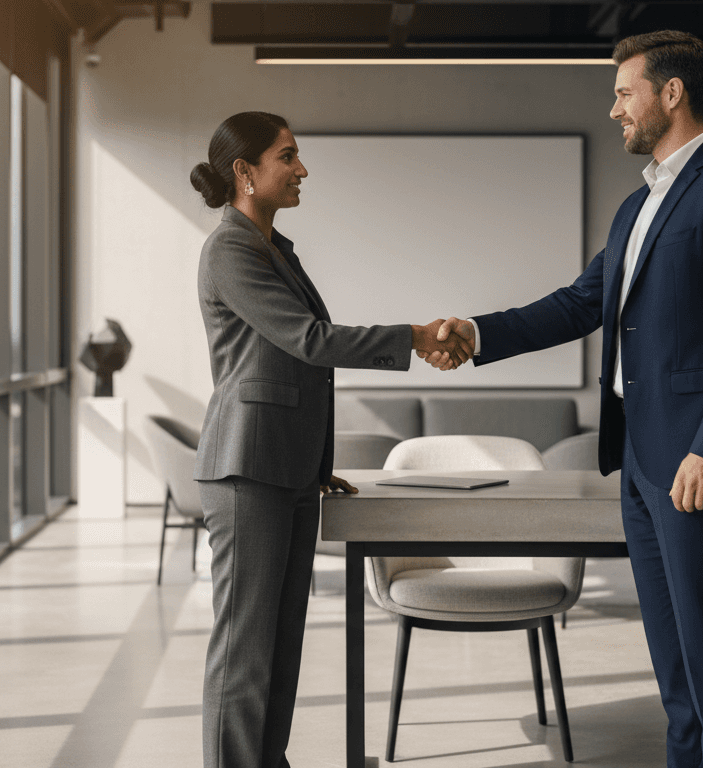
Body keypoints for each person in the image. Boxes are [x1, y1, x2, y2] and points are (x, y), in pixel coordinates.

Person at [425, 31, 703, 768]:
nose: (614, 107)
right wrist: (475, 333)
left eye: (625, 92)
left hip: (694, 458)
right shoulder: (636, 206)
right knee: (673, 661)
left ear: (671, 93)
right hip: (642, 462)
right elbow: (578, 304)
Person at [189, 111, 472, 768]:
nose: (301, 169)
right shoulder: (230, 248)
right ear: (245, 171)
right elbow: (309, 343)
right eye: (287, 156)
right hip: (247, 469)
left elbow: (291, 368)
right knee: (244, 648)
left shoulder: (273, 249)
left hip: (286, 469)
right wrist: (414, 334)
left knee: (281, 642)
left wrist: (318, 463)